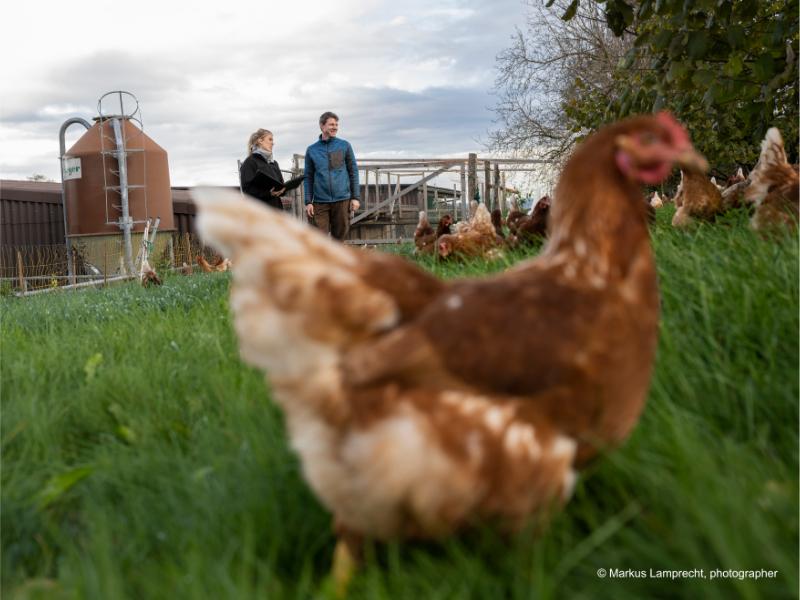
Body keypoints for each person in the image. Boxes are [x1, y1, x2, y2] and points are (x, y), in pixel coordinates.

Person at [304, 112, 360, 240]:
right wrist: (308, 201)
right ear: (322, 126)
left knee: (339, 240)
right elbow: (308, 176)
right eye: (331, 124)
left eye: (336, 124)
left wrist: (355, 197)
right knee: (318, 239)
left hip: (342, 200)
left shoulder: (344, 145)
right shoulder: (312, 150)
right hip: (319, 202)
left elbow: (353, 172)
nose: (335, 127)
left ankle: (336, 260)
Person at [240, 128, 286, 210]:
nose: (273, 143)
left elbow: (281, 183)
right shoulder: (249, 162)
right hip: (260, 212)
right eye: (270, 139)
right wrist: (268, 193)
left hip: (276, 211)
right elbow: (247, 190)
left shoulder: (274, 163)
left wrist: (282, 189)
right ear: (260, 140)